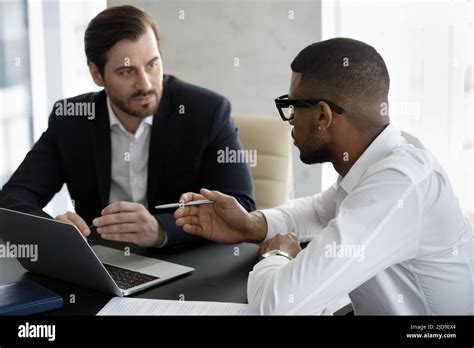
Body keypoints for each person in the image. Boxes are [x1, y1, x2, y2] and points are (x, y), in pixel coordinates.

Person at [174, 38, 474, 314]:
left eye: (292, 107)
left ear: (322, 115)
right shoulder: (383, 158)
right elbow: (318, 211)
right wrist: (252, 225)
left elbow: (275, 306)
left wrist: (276, 256)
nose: (289, 122)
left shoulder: (398, 186)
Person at [0, 5, 255, 248]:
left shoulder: (206, 112)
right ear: (97, 74)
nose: (145, 84)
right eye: (126, 71)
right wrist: (55, 232)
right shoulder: (71, 119)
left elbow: (242, 208)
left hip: (185, 263)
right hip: (101, 266)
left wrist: (161, 229)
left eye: (152, 64)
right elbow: (12, 200)